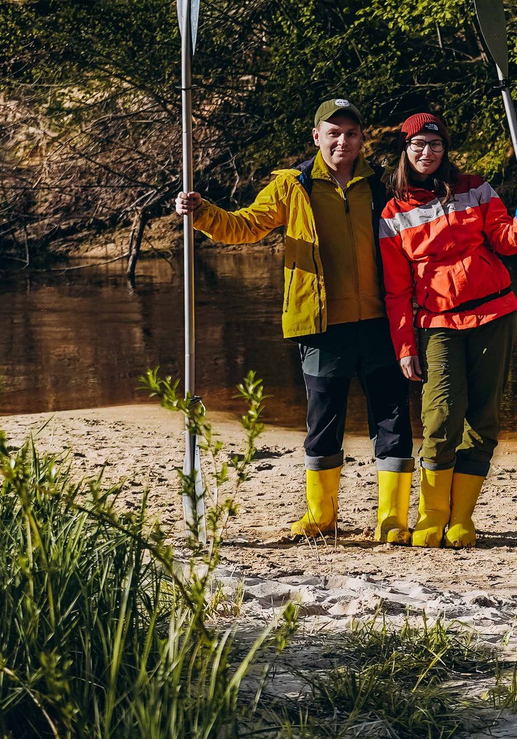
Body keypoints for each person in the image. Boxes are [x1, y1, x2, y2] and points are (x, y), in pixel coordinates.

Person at [175, 98, 410, 538]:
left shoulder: (382, 185)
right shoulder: (292, 185)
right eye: (334, 133)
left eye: (351, 134)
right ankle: (322, 517)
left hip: (382, 322)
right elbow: (244, 226)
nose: (343, 141)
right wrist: (202, 212)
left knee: (392, 420)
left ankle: (392, 520)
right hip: (321, 325)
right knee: (323, 423)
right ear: (317, 136)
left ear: (362, 139)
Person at [377, 113, 517, 549]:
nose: (427, 152)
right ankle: (433, 513)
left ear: (445, 149)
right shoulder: (392, 213)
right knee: (441, 416)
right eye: (418, 144)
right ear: (405, 150)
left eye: (435, 144)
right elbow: (396, 291)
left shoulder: (475, 188)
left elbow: (507, 241)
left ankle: (462, 517)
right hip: (438, 324)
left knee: (483, 420)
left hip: (495, 314)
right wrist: (405, 347)